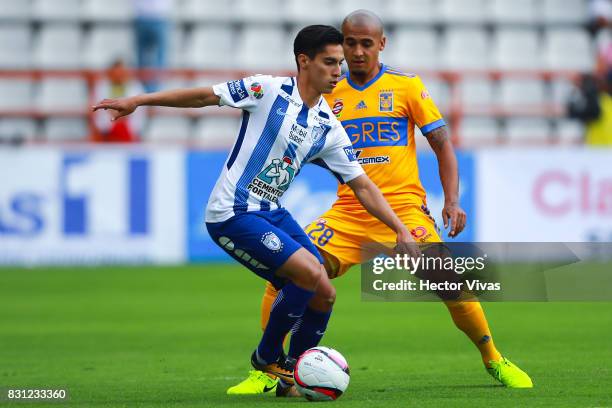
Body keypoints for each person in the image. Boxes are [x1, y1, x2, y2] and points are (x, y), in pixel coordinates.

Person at [93, 25, 418, 398]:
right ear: (304, 61)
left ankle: (292, 379)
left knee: (324, 292)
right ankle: (266, 357)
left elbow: (362, 185)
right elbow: (204, 96)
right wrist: (140, 100)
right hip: (231, 212)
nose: (338, 71)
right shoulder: (267, 90)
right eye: (330, 62)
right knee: (310, 273)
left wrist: (400, 229)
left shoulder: (329, 125)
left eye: (340, 63)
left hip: (271, 211)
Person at [228, 10, 533, 395]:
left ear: (381, 44)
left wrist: (452, 201)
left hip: (403, 210)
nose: (356, 52)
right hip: (348, 213)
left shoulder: (406, 87)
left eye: (366, 43)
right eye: (350, 43)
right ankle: (271, 369)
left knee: (448, 281)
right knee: (290, 273)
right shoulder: (327, 88)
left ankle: (494, 359)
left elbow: (442, 143)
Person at [93, 59, 145, 143]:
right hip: (107, 127)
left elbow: (140, 108)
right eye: (116, 72)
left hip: (129, 127)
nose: (119, 75)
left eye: (122, 72)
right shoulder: (102, 86)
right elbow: (97, 106)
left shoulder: (135, 86)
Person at [133, 0, 172, 92]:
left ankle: (152, 90)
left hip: (154, 17)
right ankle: (150, 90)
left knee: (156, 58)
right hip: (148, 17)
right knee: (145, 58)